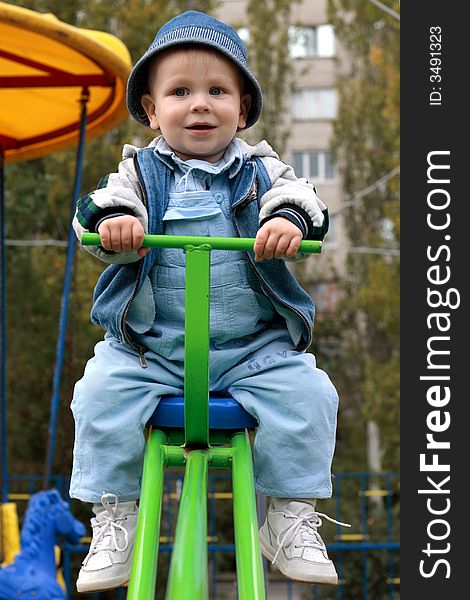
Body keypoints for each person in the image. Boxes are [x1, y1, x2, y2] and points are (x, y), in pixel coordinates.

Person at [70, 10, 346, 594]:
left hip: (253, 352)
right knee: (97, 394)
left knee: (311, 394)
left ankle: (290, 513)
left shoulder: (261, 170)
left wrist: (289, 220)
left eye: (218, 91)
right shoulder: (138, 173)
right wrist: (116, 224)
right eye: (180, 92)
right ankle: (115, 514)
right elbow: (96, 209)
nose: (200, 104)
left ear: (242, 110)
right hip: (152, 354)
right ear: (151, 109)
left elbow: (306, 199)